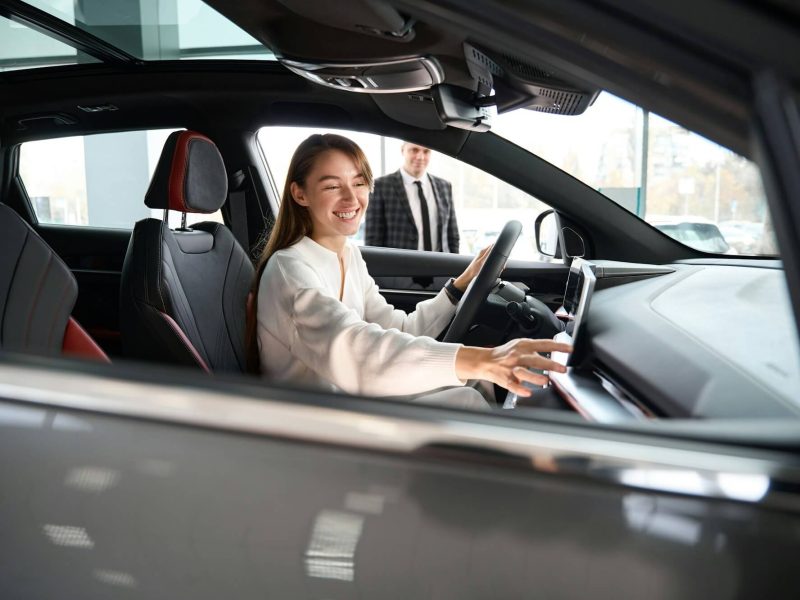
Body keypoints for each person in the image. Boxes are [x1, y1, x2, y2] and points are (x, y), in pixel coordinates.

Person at [247, 134, 570, 408]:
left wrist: (458, 288)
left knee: (475, 386)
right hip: (315, 421)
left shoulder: (347, 254)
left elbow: (398, 328)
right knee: (468, 399)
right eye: (333, 186)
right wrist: (483, 359)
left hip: (351, 400)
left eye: (359, 183)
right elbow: (356, 354)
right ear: (300, 194)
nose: (351, 197)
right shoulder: (291, 271)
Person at [365, 142, 459, 252]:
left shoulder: (444, 187)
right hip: (400, 267)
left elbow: (453, 237)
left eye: (426, 151)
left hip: (440, 266)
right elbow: (373, 240)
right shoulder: (380, 186)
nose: (420, 157)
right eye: (414, 150)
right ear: (402, 150)